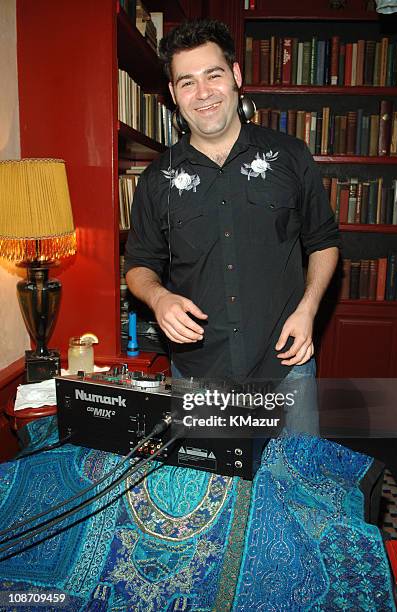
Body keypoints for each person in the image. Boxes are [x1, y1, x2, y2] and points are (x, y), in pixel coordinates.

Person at [125, 20, 340, 432]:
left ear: (236, 76)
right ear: (173, 94)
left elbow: (324, 242)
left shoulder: (291, 157)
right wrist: (159, 299)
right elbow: (138, 265)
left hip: (286, 367)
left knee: (296, 491)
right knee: (210, 493)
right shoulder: (155, 180)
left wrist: (308, 309)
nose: (202, 93)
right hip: (199, 375)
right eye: (187, 82)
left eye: (213, 75)